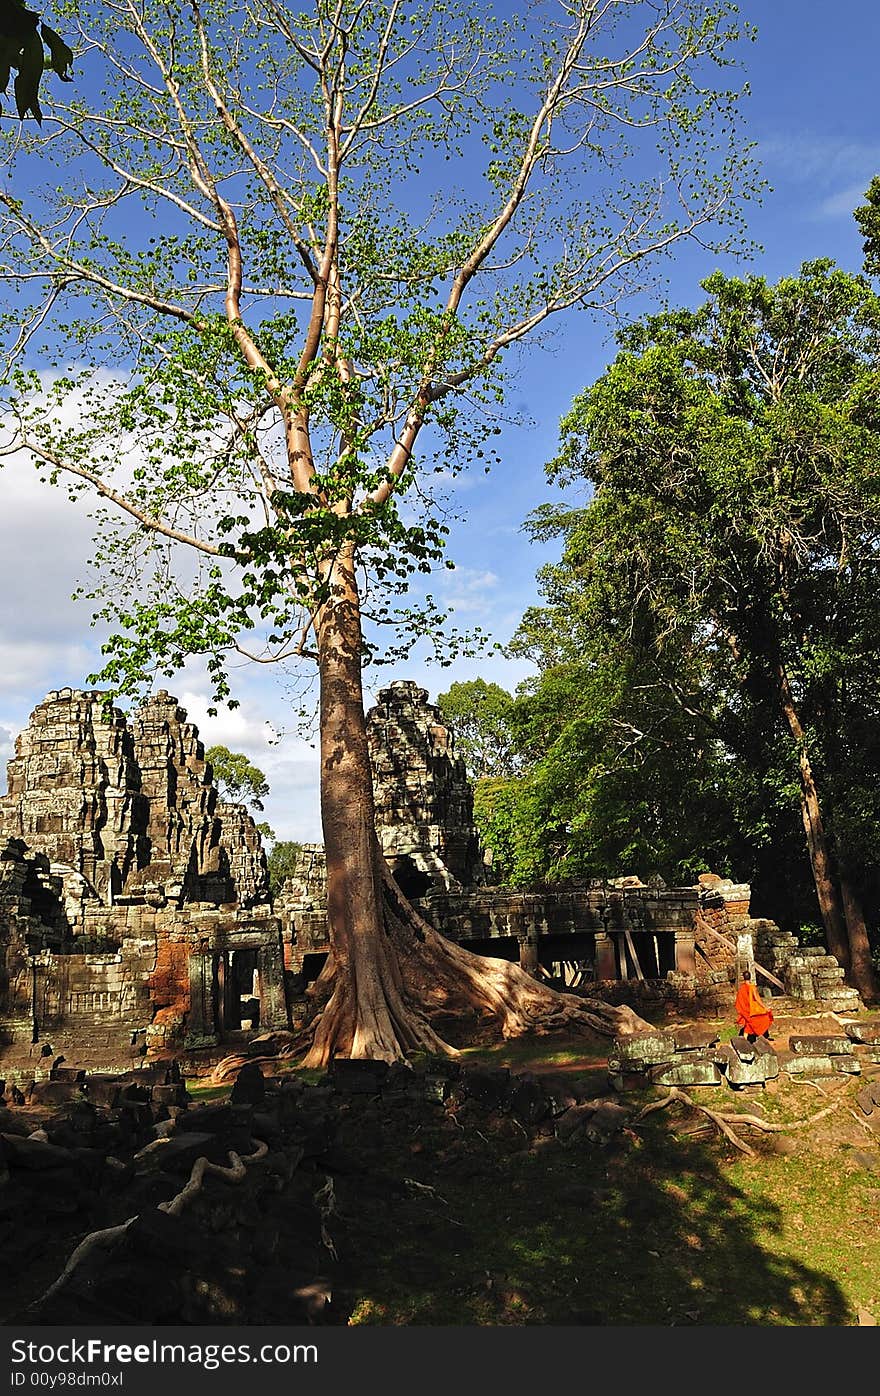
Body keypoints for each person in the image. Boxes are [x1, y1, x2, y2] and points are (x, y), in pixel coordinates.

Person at [734, 968, 773, 1042]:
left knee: (748, 1024)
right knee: (764, 1018)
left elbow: (739, 1000)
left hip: (745, 1010)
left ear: (743, 977)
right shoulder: (752, 987)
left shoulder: (741, 988)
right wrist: (764, 1007)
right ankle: (761, 1036)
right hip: (751, 1010)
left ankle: (745, 1040)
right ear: (750, 977)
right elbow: (757, 999)